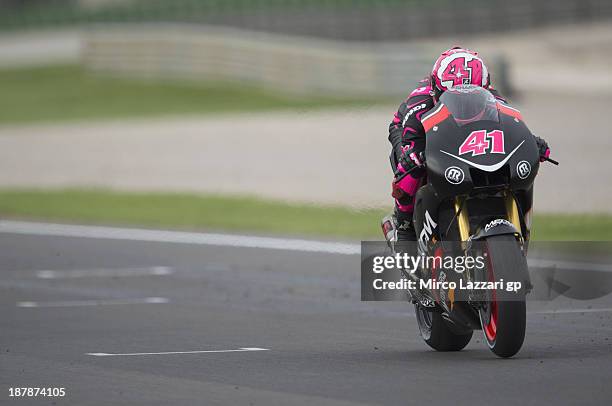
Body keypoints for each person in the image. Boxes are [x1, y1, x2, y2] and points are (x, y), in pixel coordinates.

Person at [383, 47, 550, 243]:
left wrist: (531, 141)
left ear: (485, 89)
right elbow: (409, 140)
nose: (463, 105)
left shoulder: (495, 99)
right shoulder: (419, 103)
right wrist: (411, 154)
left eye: (472, 97)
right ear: (435, 89)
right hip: (412, 132)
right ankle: (404, 227)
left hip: (466, 139)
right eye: (454, 97)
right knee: (409, 166)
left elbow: (510, 126)